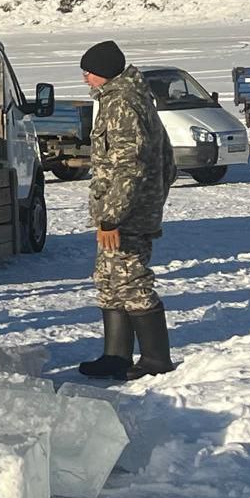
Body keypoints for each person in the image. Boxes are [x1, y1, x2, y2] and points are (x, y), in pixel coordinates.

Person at [77, 41, 178, 381]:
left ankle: (156, 358)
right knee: (109, 280)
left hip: (127, 213)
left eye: (89, 71)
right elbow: (167, 160)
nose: (85, 78)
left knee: (131, 280)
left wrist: (112, 215)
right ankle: (116, 356)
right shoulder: (125, 97)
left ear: (105, 71)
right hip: (125, 208)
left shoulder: (123, 103)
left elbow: (128, 166)